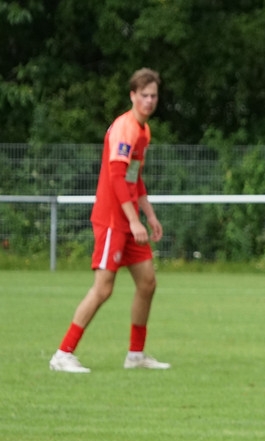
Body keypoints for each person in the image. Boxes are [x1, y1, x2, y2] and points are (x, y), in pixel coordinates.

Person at [49, 68, 170, 373]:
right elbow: (116, 178)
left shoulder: (143, 132)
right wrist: (133, 221)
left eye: (154, 96)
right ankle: (63, 353)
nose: (149, 101)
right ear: (132, 95)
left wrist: (149, 215)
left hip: (129, 221)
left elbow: (133, 178)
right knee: (103, 288)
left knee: (147, 282)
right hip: (113, 221)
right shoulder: (124, 128)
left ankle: (136, 355)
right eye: (144, 95)